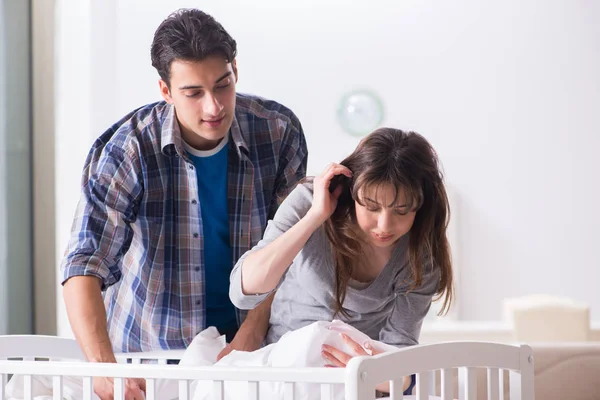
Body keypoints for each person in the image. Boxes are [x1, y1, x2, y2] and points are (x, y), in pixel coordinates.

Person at [61, 8, 308, 400]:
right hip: (149, 359)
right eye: (193, 93)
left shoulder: (279, 133)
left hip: (253, 354)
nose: (213, 107)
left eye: (222, 84)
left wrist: (252, 333)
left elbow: (290, 251)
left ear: (235, 71)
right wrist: (104, 370)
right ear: (165, 90)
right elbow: (83, 264)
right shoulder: (128, 149)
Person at [230, 128, 453, 395]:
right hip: (284, 366)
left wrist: (390, 378)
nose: (384, 225)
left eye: (401, 210)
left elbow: (400, 348)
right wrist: (315, 216)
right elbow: (243, 293)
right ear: (352, 191)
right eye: (371, 207)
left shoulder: (420, 256)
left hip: (356, 378)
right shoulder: (309, 202)